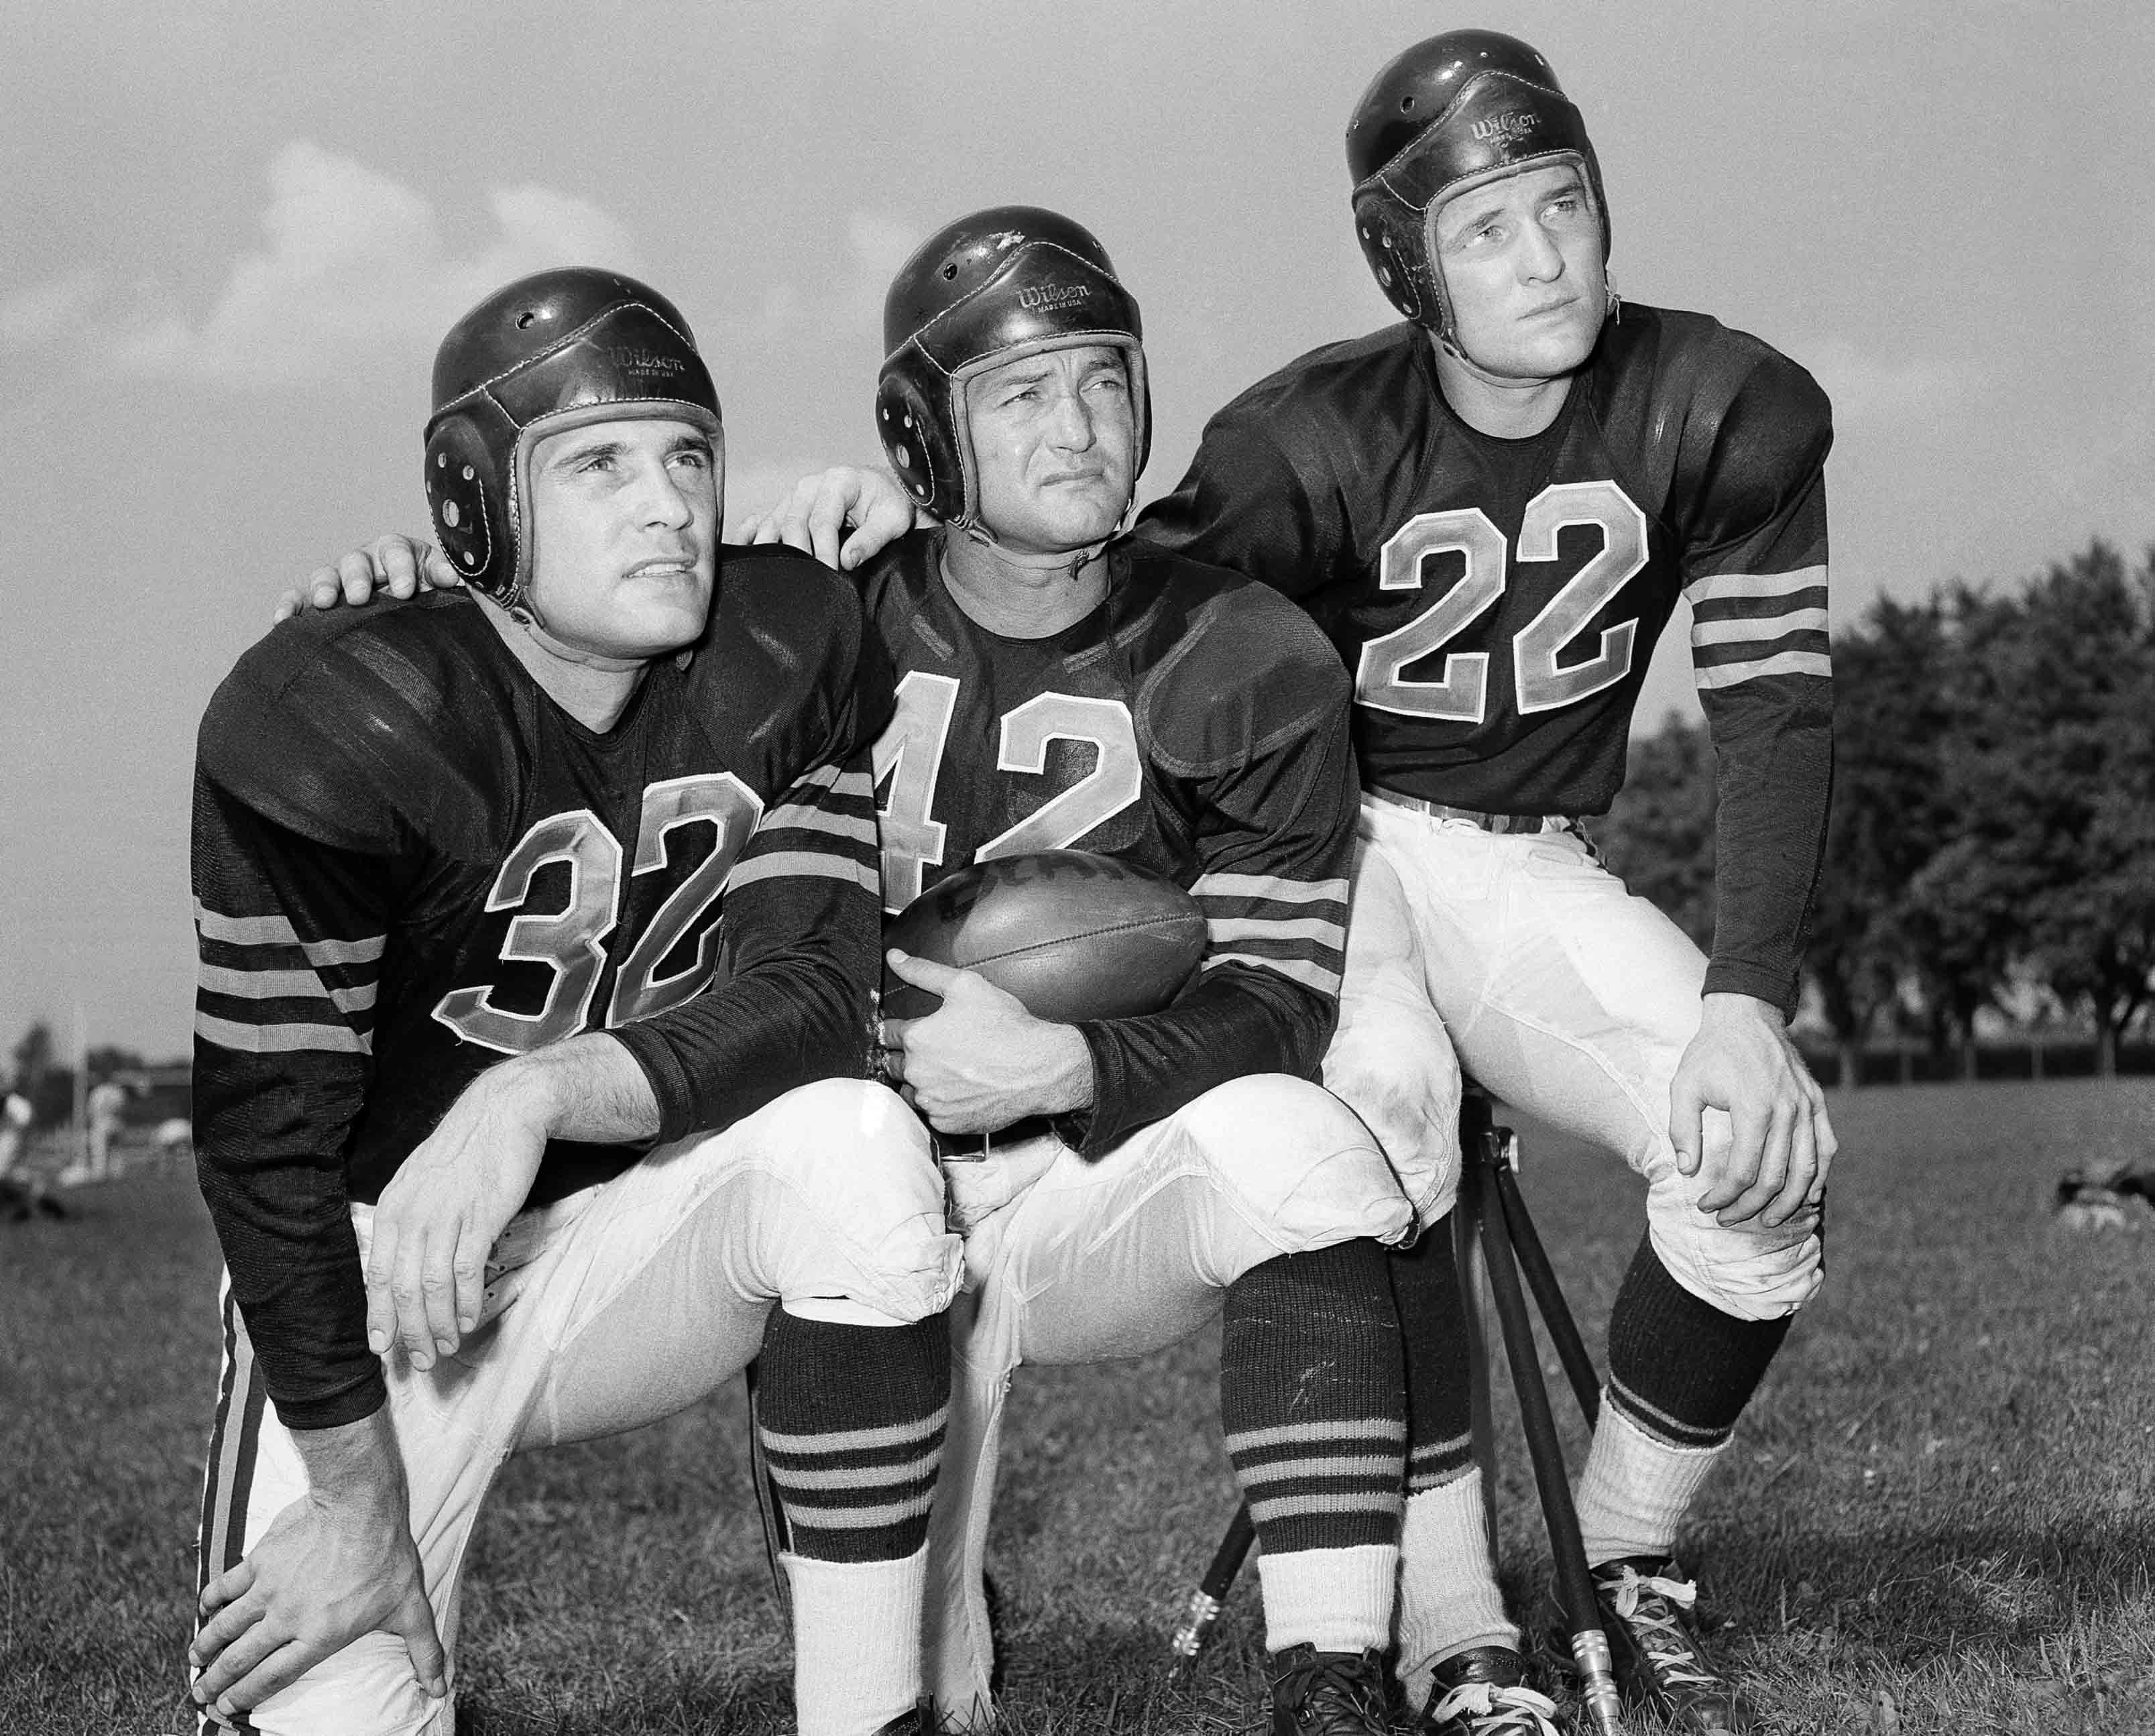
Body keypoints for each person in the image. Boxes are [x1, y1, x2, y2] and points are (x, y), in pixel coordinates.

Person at [709, 34, 1839, 1735]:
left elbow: (1771, 719)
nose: (1542, 257)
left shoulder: (1721, 406)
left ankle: (1623, 1550)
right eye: (1486, 226)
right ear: (1406, 260)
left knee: (1762, 1166)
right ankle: (1452, 1631)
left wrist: (1749, 995)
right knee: (1374, 1113)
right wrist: (897, 510)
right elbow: (1096, 583)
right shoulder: (1309, 435)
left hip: (1526, 863)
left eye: (1564, 206)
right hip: (1335, 836)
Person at [284, 211, 1428, 1736]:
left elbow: (1279, 996)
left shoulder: (1243, 649)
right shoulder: (807, 614)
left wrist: (1070, 1066)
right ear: (922, 430)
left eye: (1100, 380)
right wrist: (446, 574)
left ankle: (1335, 1683)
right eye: (1020, 395)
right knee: (930, 1666)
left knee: (1310, 1146)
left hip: (1081, 1170)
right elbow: (570, 634)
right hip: (843, 1180)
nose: (1078, 427)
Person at [190, 268, 962, 1736]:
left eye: (686, 454)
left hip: (631, 1230)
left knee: (857, 1143)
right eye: (598, 462)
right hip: (388, 1278)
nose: (668, 503)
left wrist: (534, 1089)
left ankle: (870, 1715)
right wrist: (355, 1499)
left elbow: (810, 997)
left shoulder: (787, 640)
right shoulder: (336, 707)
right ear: (477, 506)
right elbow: (264, 1150)